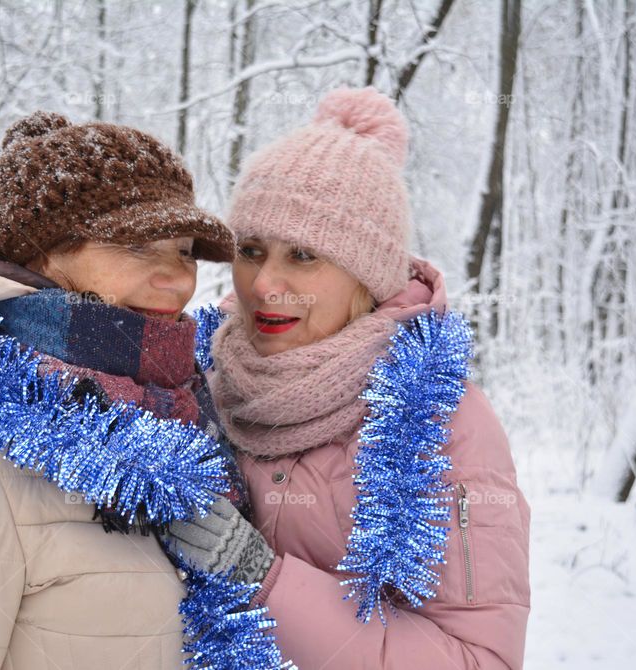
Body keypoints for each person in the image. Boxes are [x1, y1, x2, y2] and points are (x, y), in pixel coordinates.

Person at [0, 111, 272, 669]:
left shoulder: (193, 419)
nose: (176, 277)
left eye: (185, 250)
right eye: (138, 245)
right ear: (43, 253)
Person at [160, 87, 531, 669]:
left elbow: (479, 659)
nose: (264, 284)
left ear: (367, 277)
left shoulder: (441, 422)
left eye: (304, 256)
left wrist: (266, 585)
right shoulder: (193, 379)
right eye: (251, 250)